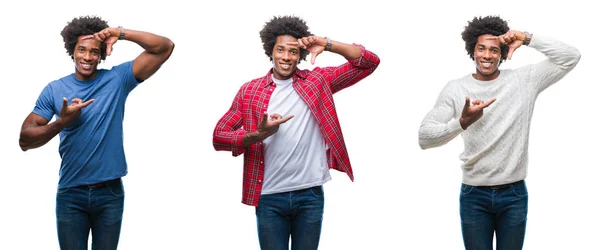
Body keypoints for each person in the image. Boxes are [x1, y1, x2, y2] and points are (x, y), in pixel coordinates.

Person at [212, 15, 379, 249]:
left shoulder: (317, 81)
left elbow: (369, 62)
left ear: (299, 55)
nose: (286, 57)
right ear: (271, 51)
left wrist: (327, 44)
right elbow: (219, 136)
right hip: (269, 197)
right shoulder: (249, 91)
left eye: (292, 52)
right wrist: (256, 135)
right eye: (280, 50)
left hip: (309, 195)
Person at [418, 16, 580, 250]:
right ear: (472, 50)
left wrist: (526, 38)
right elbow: (424, 137)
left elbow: (570, 57)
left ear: (502, 53)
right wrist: (462, 122)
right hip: (473, 196)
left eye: (494, 50)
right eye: (481, 48)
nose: (486, 55)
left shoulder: (524, 81)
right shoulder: (455, 89)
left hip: (514, 194)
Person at [18, 15, 174, 250]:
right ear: (72, 51)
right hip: (71, 194)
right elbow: (24, 140)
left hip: (109, 192)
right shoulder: (54, 89)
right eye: (82, 50)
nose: (88, 57)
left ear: (102, 54)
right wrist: (61, 122)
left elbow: (164, 47)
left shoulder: (117, 79)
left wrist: (119, 33)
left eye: (94, 51)